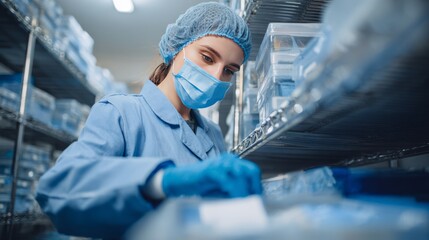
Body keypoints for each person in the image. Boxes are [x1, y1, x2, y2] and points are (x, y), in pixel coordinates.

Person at [35, 2, 262, 239]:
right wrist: (160, 182)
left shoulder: (213, 134)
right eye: (207, 57)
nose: (216, 76)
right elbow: (57, 191)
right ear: (177, 48)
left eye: (229, 70)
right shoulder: (121, 112)